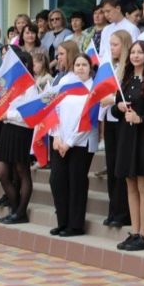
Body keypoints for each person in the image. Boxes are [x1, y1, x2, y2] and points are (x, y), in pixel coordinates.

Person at [112, 40, 144, 251]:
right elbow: (115, 112)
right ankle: (134, 231)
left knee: (143, 185)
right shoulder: (124, 80)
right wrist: (119, 106)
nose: (135, 56)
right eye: (132, 52)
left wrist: (141, 118)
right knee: (130, 185)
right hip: (126, 137)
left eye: (139, 52)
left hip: (143, 139)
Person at [49, 54, 98, 237]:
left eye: (84, 65)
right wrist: (56, 137)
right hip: (60, 141)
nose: (80, 68)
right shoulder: (67, 85)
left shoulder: (93, 88)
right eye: (77, 64)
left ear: (90, 67)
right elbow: (55, 111)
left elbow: (88, 121)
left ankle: (75, 225)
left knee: (76, 183)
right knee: (57, 181)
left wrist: (69, 143)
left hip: (80, 144)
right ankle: (62, 222)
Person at [0, 48, 37, 225]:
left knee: (22, 171)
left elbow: (31, 114)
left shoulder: (31, 86)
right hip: (7, 131)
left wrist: (9, 115)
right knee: (2, 172)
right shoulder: (9, 84)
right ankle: (15, 208)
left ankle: (20, 212)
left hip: (21, 131)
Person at [101, 30, 131, 228]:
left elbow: (126, 95)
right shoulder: (109, 67)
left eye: (115, 44)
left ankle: (123, 212)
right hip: (109, 120)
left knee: (121, 168)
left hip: (123, 121)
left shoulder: (129, 68)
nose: (111, 48)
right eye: (110, 45)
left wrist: (112, 98)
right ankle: (113, 209)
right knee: (111, 167)